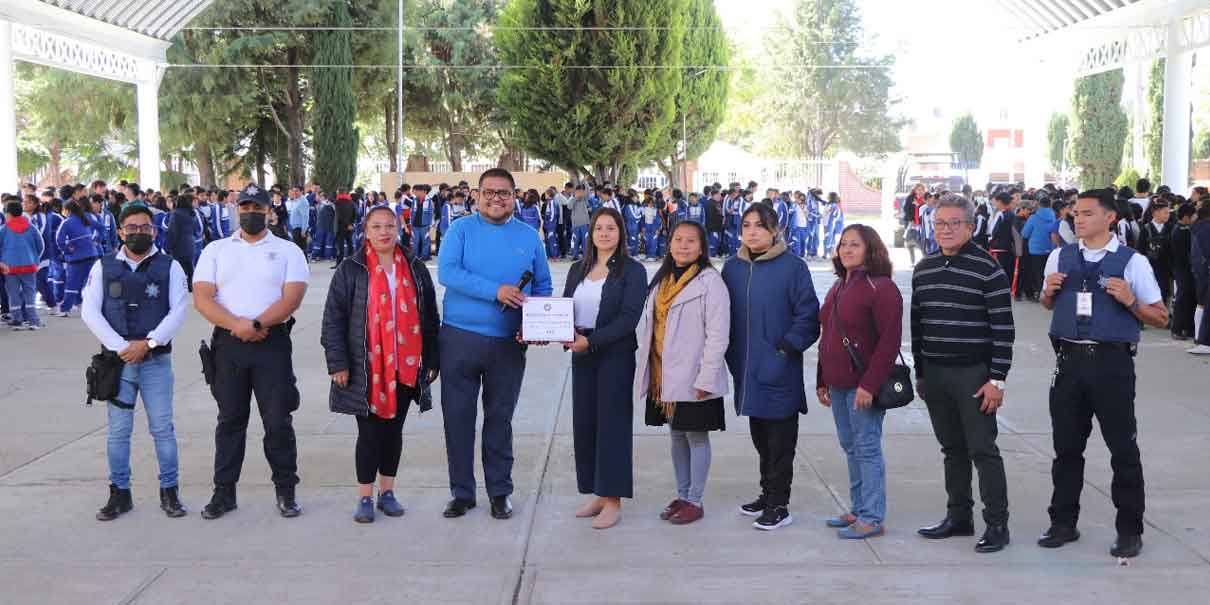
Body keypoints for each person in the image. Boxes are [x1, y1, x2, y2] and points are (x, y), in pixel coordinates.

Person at [1038, 189, 1169, 559]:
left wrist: (1130, 300)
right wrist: (1047, 293)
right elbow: (1049, 303)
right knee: (1066, 448)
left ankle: (1129, 529)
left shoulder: (1133, 262)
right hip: (1068, 362)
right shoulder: (1058, 257)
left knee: (1122, 449)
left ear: (1110, 217)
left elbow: (1161, 317)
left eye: (1087, 213)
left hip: (1112, 364)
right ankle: (1063, 523)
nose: (1077, 219)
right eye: (1075, 213)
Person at [436, 168, 554, 520]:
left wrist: (533, 325)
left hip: (507, 344)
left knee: (499, 420)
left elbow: (543, 286)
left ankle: (500, 492)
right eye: (489, 192)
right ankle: (462, 492)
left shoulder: (529, 236)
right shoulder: (460, 230)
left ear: (515, 196)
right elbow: (448, 273)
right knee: (458, 419)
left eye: (504, 192)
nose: (496, 198)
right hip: (459, 338)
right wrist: (495, 291)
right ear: (476, 194)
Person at [192, 183, 309, 520]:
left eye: (257, 208)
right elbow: (202, 297)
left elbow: (291, 299)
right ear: (236, 209)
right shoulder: (215, 250)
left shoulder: (288, 250)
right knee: (229, 421)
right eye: (245, 207)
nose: (250, 213)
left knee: (278, 422)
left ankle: (286, 491)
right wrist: (237, 325)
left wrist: (256, 325)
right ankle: (223, 493)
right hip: (228, 346)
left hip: (271, 344)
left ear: (268, 210)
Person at [321, 206, 440, 523]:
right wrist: (338, 363)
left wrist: (432, 358)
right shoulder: (351, 268)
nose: (384, 232)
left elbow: (429, 316)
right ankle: (364, 496)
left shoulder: (414, 266)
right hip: (367, 366)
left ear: (399, 228)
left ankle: (387, 492)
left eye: (390, 225)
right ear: (366, 231)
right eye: (377, 226)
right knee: (370, 434)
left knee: (394, 431)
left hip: (406, 364)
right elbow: (333, 319)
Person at [911, 193, 1014, 554]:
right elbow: (918, 325)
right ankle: (959, 517)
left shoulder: (987, 269)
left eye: (955, 223)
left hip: (974, 376)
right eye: (940, 223)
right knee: (951, 449)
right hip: (936, 374)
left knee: (982, 450)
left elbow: (1003, 329)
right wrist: (920, 374)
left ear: (970, 227)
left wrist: (996, 379)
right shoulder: (924, 269)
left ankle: (997, 524)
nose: (947, 229)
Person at [80, 204, 190, 520]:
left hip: (156, 361)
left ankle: (170, 493)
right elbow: (90, 311)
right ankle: (120, 494)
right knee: (118, 431)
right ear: (120, 231)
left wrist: (150, 343)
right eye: (132, 227)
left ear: (154, 231)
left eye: (145, 227)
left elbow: (179, 310)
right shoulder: (103, 267)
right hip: (117, 364)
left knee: (162, 429)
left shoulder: (171, 267)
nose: (138, 232)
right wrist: (121, 348)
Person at [722, 204, 820, 531]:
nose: (752, 231)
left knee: (780, 442)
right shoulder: (733, 268)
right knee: (760, 437)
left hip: (779, 368)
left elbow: (808, 316)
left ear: (774, 230)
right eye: (746, 225)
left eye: (760, 226)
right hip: (747, 370)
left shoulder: (793, 267)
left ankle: (780, 504)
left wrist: (785, 347)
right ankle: (766, 494)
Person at [635, 220, 729, 525]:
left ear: (702, 247)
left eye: (691, 241)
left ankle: (695, 499)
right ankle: (683, 493)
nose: (683, 245)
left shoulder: (710, 281)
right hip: (664, 373)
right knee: (676, 434)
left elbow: (718, 334)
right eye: (678, 239)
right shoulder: (661, 280)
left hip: (693, 373)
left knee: (696, 436)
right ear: (669, 243)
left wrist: (706, 377)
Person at [560, 208, 646, 530]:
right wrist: (555, 333)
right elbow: (565, 309)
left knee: (612, 426)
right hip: (582, 353)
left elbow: (628, 319)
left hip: (614, 355)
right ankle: (598, 492)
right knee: (586, 424)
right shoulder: (577, 269)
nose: (605, 233)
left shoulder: (632, 271)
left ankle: (613, 501)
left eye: (611, 228)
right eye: (599, 228)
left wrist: (591, 341)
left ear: (621, 233)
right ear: (591, 233)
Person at [816, 224, 901, 539]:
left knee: (866, 447)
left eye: (855, 244)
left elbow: (889, 342)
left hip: (863, 385)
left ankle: (872, 516)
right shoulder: (839, 286)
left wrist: (869, 385)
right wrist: (822, 379)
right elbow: (829, 336)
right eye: (843, 244)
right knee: (850, 446)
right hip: (837, 384)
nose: (847, 250)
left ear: (870, 249)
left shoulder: (881, 288)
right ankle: (857, 507)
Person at [0, 201, 45, 330]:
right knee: (29, 292)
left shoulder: (3, 229)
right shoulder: (31, 228)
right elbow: (41, 245)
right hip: (29, 266)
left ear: (8, 214)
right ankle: (33, 320)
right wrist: (35, 259)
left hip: (9, 267)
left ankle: (17, 319)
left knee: (13, 294)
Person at [55, 199, 101, 317]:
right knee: (91, 283)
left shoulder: (66, 222)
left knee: (72, 283)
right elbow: (102, 228)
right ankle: (87, 305)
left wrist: (66, 249)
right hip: (92, 254)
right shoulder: (86, 218)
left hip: (76, 257)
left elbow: (59, 240)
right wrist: (97, 240)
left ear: (68, 210)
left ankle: (65, 309)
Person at [1136, 201, 1174, 309]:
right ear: (1155, 213)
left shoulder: (1171, 227)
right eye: (1165, 213)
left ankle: (1163, 312)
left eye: (1168, 213)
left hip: (1166, 266)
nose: (1168, 215)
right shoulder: (1146, 229)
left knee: (1165, 290)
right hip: (1150, 266)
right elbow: (1140, 249)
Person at [1020, 197, 1058, 301]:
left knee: (1036, 273)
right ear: (1050, 205)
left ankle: (1038, 293)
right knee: (1049, 272)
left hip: (1035, 250)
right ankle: (1048, 294)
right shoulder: (1054, 217)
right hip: (1050, 249)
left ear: (1039, 205)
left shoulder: (1033, 217)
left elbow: (1024, 234)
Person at [1171, 204, 1198, 340]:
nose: (1196, 218)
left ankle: (1188, 328)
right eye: (1194, 215)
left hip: (1186, 269)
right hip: (1183, 270)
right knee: (1183, 299)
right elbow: (1185, 254)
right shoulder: (1181, 231)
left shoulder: (1184, 229)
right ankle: (1177, 328)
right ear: (1186, 217)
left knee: (1190, 299)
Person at [987, 192, 1019, 298]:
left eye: (996, 201)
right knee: (1008, 269)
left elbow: (993, 231)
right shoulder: (1012, 214)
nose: (995, 204)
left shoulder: (1000, 214)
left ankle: (999, 290)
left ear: (1000, 201)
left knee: (998, 270)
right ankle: (1008, 290)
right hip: (1009, 247)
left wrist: (990, 241)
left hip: (998, 247)